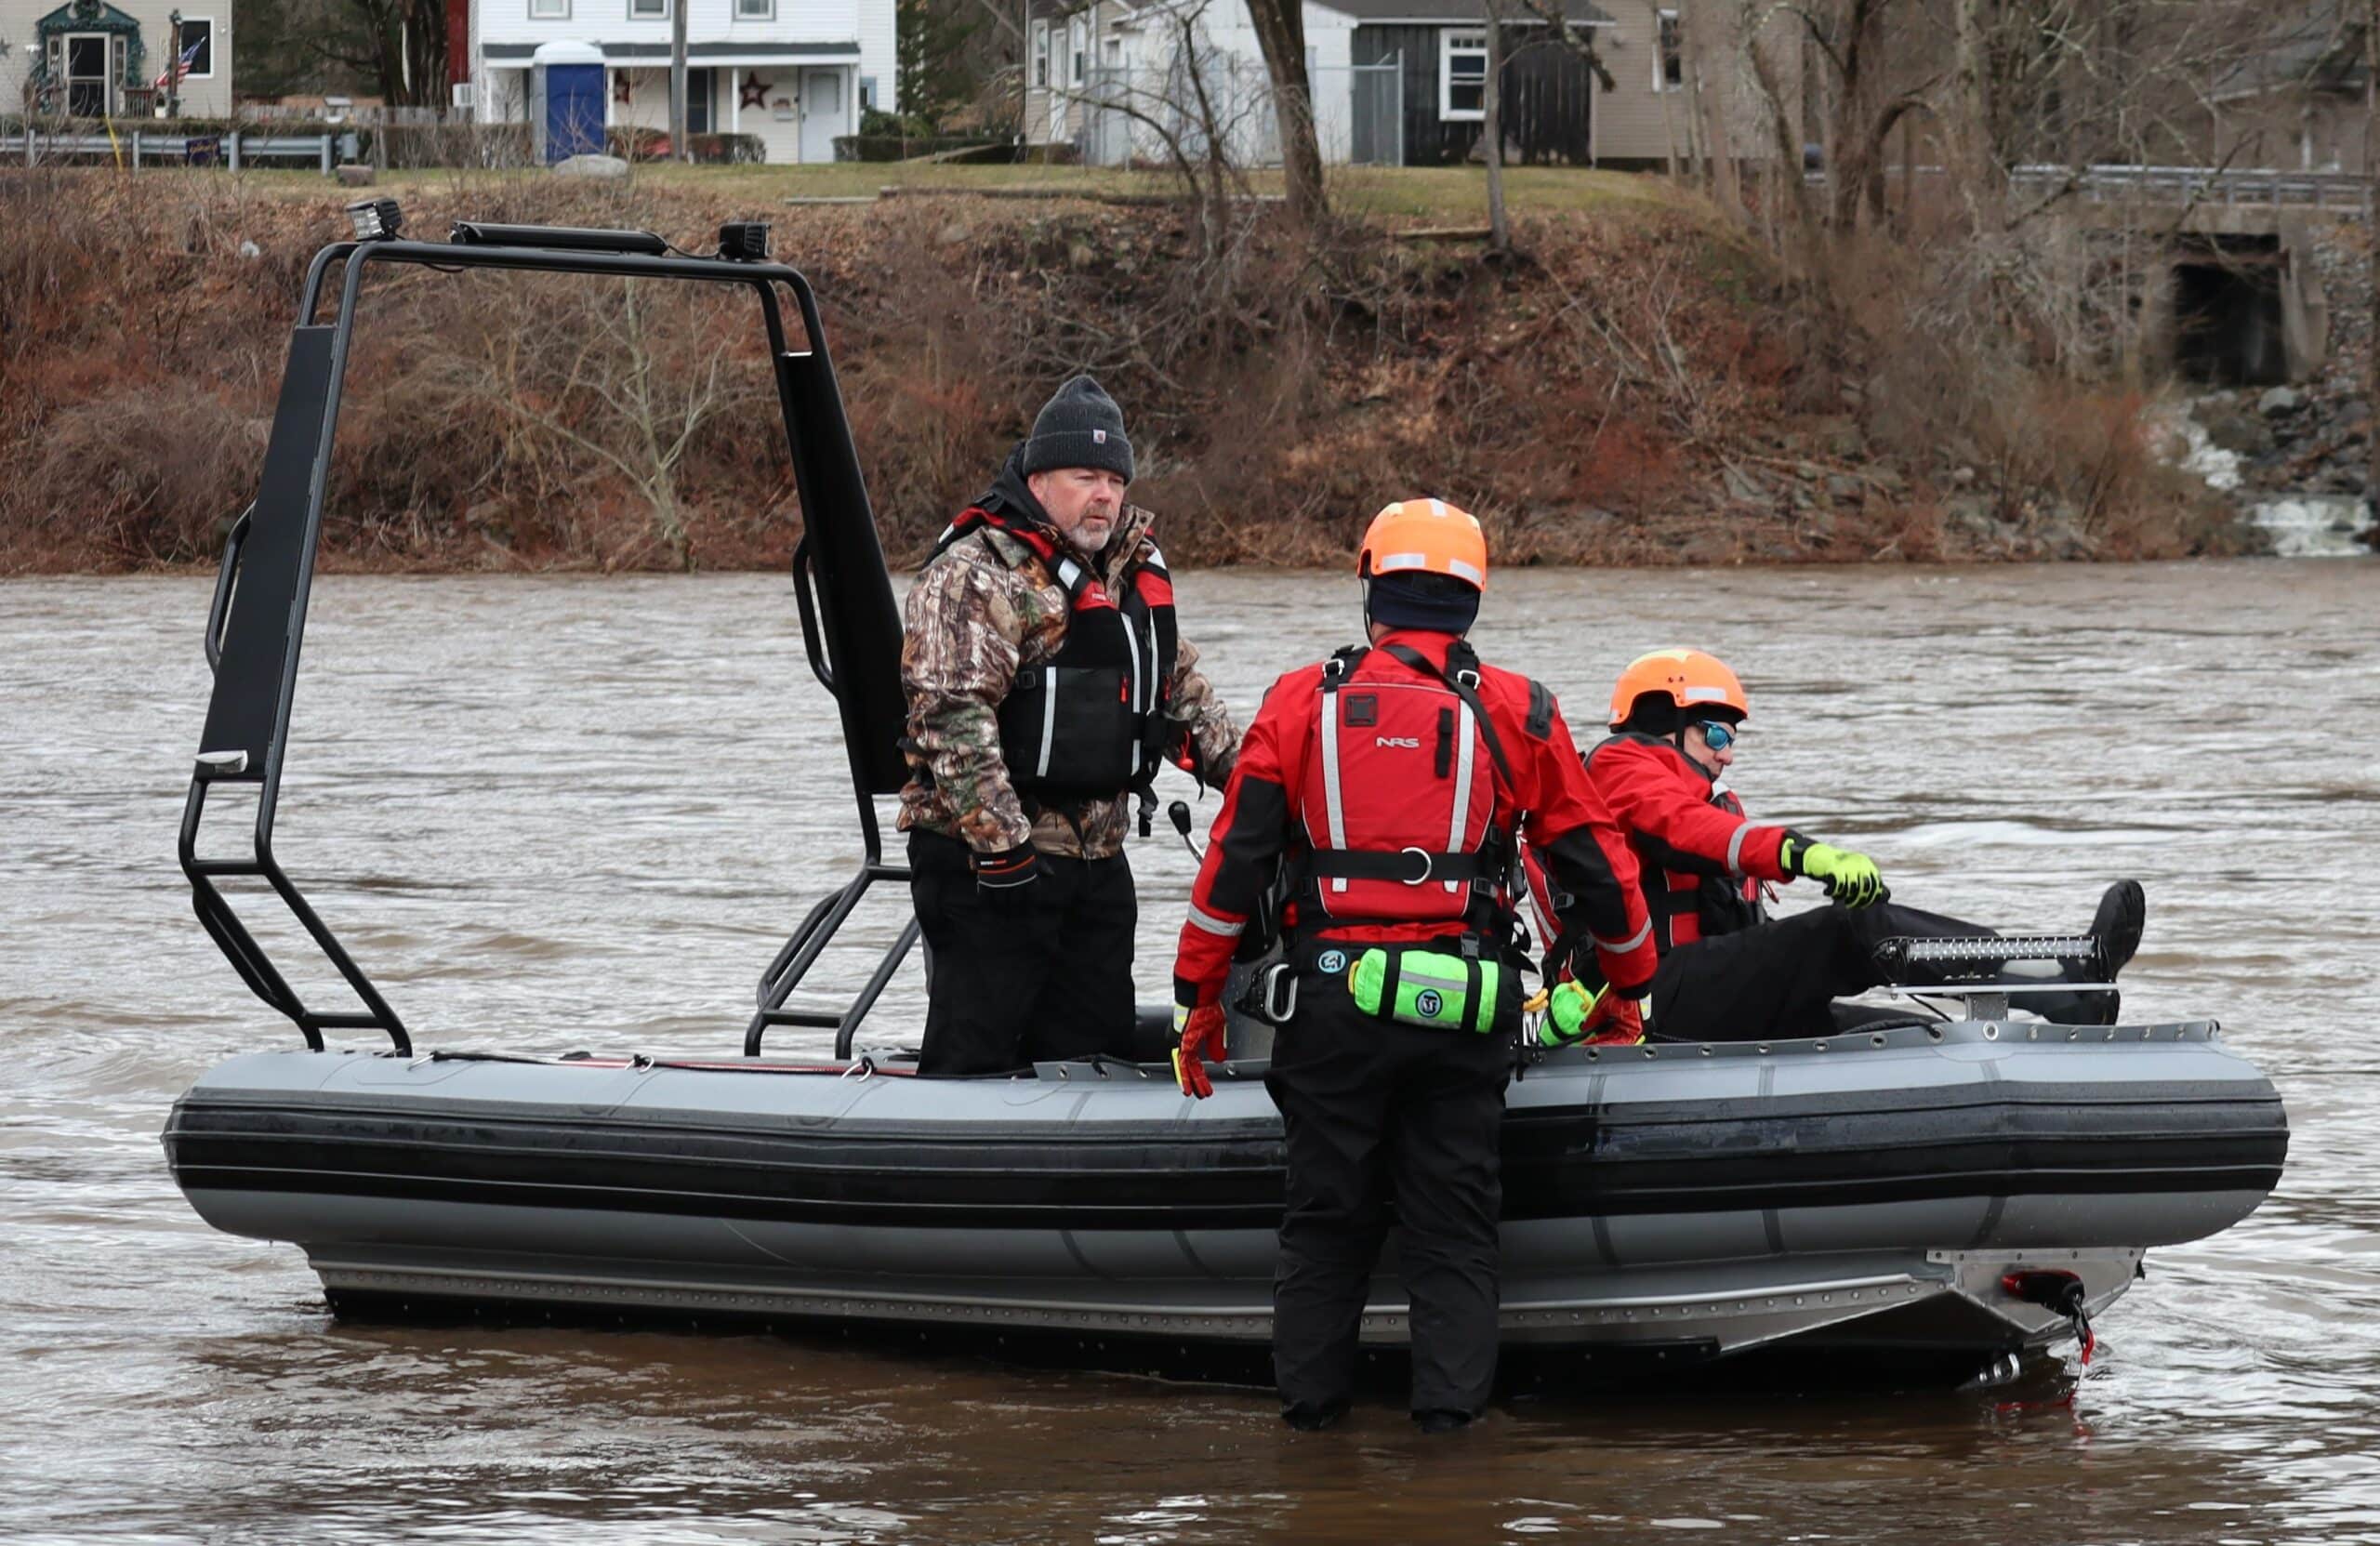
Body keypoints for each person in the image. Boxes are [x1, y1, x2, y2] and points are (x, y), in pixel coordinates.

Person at [1169, 499, 1659, 1434]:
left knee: (1323, 1226)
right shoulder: (1523, 709)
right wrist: (1627, 988)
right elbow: (1601, 869)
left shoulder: (1295, 702)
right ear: (1471, 599)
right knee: (1455, 1233)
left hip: (1329, 1007)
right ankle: (1448, 1454)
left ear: (1371, 590)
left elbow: (1231, 869)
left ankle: (1310, 1443)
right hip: (1466, 1007)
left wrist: (1197, 1000)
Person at [898, 376, 1238, 1076]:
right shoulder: (976, 572)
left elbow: (1184, 700)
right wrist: (1005, 851)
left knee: (1095, 1060)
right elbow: (952, 718)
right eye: (1086, 476)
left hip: (1098, 867)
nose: (1105, 495)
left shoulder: (1130, 575)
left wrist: (1270, 789)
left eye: (1115, 479)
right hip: (989, 867)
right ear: (1040, 475)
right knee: (977, 1061)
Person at [1579, 648, 2146, 1042]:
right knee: (1847, 927)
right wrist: (1802, 853)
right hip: (1640, 996)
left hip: (1707, 996)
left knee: (1906, 1037)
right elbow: (1680, 827)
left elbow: (1737, 926)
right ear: (1665, 722)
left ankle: (2074, 1002)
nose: (1728, 753)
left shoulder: (1713, 799)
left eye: (1734, 739)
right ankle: (2061, 976)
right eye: (1717, 734)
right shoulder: (1619, 766)